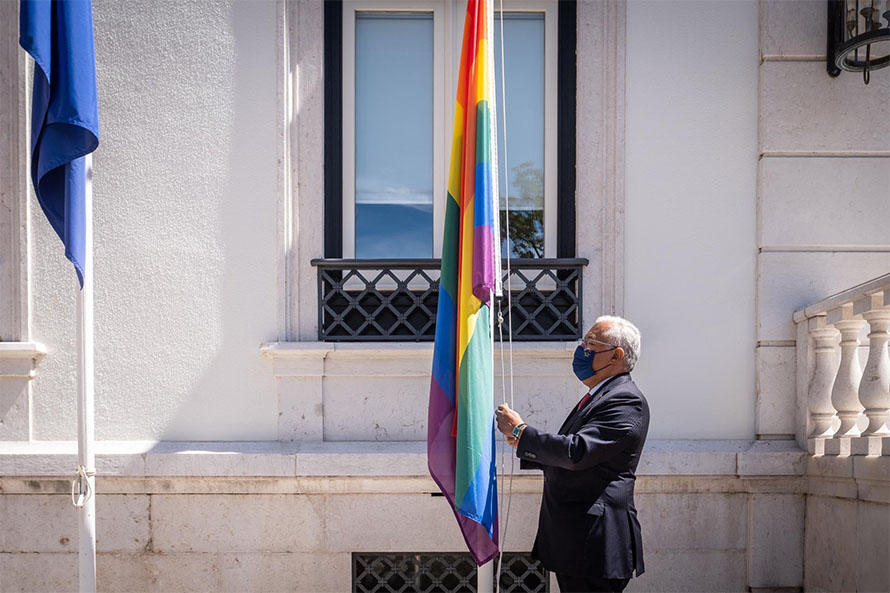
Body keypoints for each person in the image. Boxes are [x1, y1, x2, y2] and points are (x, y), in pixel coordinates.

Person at [495, 315, 650, 593]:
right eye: (583, 341)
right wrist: (523, 445)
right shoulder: (598, 395)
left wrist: (522, 432)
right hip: (576, 541)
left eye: (591, 342)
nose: (582, 349)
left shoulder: (626, 400)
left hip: (595, 543)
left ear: (616, 355)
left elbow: (577, 452)